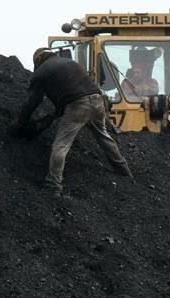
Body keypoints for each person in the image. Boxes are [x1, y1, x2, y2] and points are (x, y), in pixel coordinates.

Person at [9, 48, 132, 195]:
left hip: (78, 105)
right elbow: (70, 89)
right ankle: (123, 170)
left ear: (38, 60)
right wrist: (56, 113)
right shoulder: (70, 63)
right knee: (103, 136)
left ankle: (53, 184)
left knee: (61, 144)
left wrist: (20, 122)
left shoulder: (42, 72)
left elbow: (33, 102)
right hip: (97, 100)